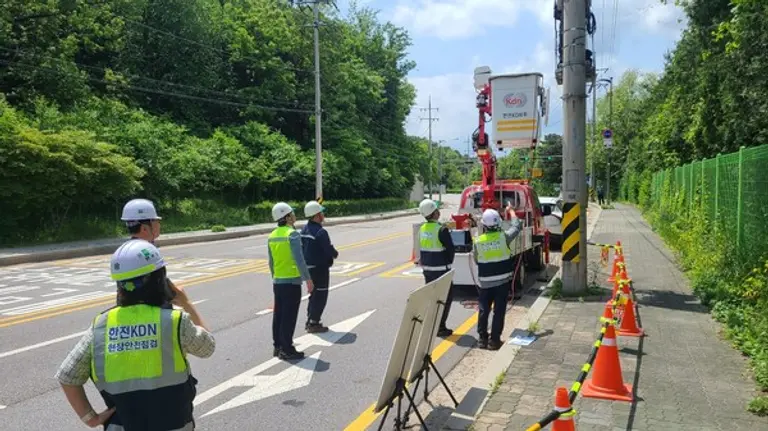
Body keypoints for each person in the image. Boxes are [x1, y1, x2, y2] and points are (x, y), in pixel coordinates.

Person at [55, 239, 215, 430]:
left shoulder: (101, 326)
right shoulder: (174, 321)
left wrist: (91, 418)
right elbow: (207, 347)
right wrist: (187, 304)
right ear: (160, 280)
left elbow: (67, 375)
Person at [472, 208, 522, 350]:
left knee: (483, 309)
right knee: (498, 311)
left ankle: (482, 339)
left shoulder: (478, 241)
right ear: (499, 223)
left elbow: (477, 260)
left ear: (484, 225)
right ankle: (494, 341)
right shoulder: (504, 237)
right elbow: (517, 227)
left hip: (485, 283)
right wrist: (511, 211)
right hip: (502, 282)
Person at [268, 202, 313, 360]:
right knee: (289, 316)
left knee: (279, 315)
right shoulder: (292, 234)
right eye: (292, 213)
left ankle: (277, 346)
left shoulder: (272, 235)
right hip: (291, 282)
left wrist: (275, 276)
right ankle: (287, 348)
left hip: (278, 282)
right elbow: (299, 260)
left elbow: (271, 262)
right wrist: (308, 280)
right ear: (286, 217)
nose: (294, 216)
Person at [120, 198, 178, 307]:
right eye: (156, 221)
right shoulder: (148, 253)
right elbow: (161, 290)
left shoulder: (124, 252)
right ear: (145, 228)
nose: (159, 224)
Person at [417, 198, 456, 337]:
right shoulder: (441, 229)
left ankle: (431, 325)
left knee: (432, 298)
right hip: (441, 271)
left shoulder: (422, 228)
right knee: (446, 298)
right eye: (436, 210)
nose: (439, 212)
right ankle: (440, 327)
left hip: (428, 270)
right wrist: (448, 262)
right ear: (434, 213)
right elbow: (451, 249)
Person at [300, 200, 338, 333]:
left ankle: (310, 320)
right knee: (320, 295)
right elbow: (328, 250)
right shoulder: (321, 232)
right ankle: (314, 323)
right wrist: (334, 254)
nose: (323, 214)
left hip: (308, 268)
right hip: (320, 268)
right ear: (316, 215)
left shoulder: (303, 230)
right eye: (321, 212)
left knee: (313, 295)